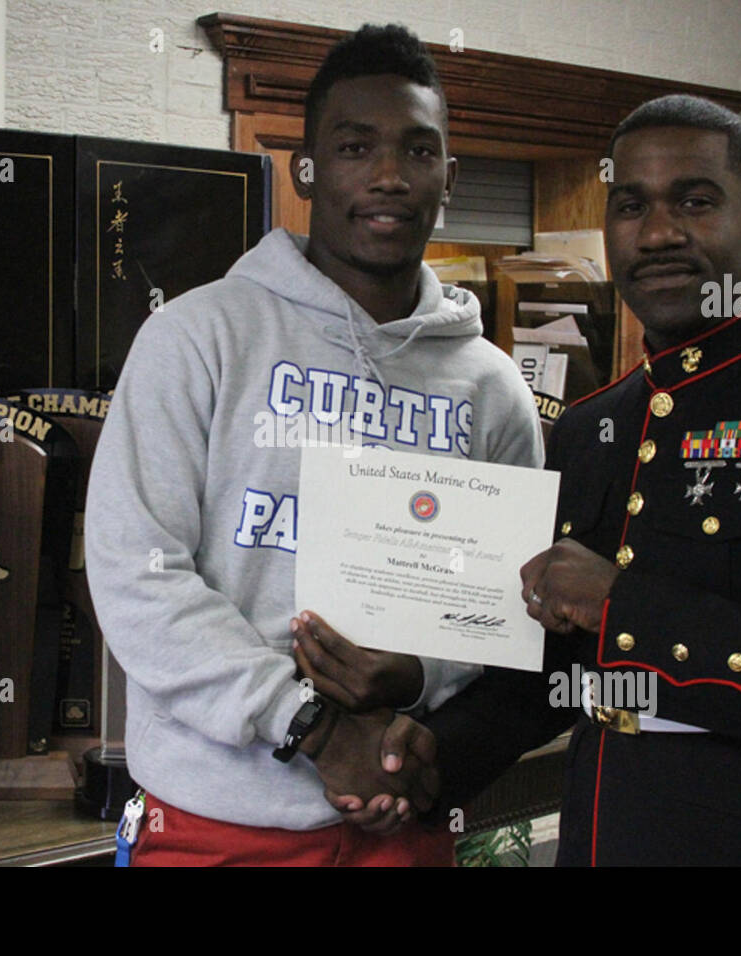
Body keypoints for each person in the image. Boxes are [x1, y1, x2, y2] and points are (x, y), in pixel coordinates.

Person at [317, 94, 741, 864]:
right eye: (631, 205)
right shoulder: (590, 430)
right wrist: (428, 757)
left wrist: (627, 606)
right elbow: (554, 671)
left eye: (694, 200)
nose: (658, 233)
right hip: (612, 835)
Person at [83, 23, 542, 866]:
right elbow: (136, 575)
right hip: (215, 824)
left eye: (418, 150)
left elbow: (498, 612)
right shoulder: (197, 337)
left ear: (449, 177)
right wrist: (313, 726)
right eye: (355, 147)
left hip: (403, 816)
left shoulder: (492, 388)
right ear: (308, 168)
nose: (389, 176)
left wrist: (416, 679)